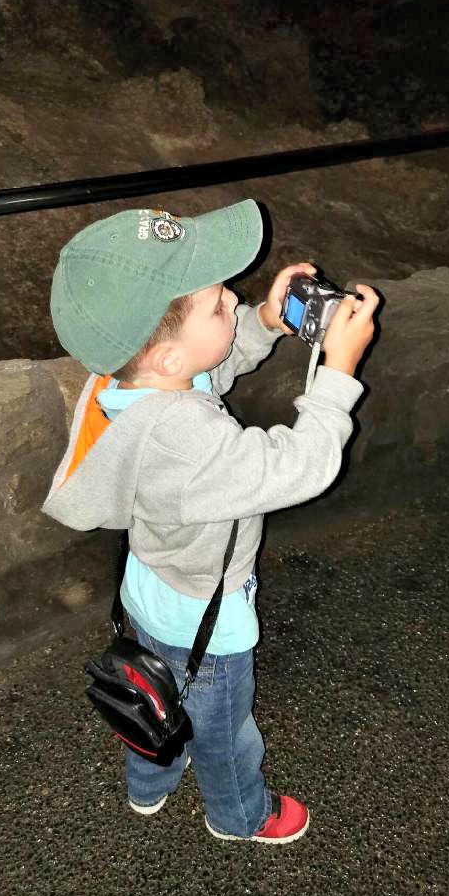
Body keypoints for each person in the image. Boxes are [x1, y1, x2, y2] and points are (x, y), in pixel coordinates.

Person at [42, 199, 378, 844]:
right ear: (167, 357)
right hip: (205, 618)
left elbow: (206, 368)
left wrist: (262, 322)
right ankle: (239, 816)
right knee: (227, 737)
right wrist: (338, 372)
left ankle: (148, 786)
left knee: (152, 691)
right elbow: (299, 466)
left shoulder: (133, 385)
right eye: (220, 301)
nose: (233, 297)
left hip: (149, 589)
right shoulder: (185, 440)